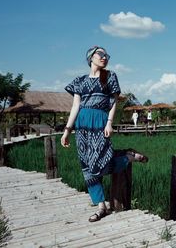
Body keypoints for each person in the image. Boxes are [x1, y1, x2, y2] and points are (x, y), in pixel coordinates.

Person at [61, 46, 148, 223]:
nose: (104, 57)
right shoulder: (80, 80)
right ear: (90, 58)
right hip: (82, 124)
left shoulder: (109, 76)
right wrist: (67, 130)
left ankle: (127, 157)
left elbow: (114, 101)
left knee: (99, 162)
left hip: (100, 121)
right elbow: (75, 106)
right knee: (86, 165)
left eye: (106, 55)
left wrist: (109, 122)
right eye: (100, 54)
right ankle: (101, 206)